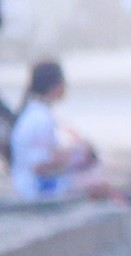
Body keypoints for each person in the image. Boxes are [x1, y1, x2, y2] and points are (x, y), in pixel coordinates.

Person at [8, 60, 119, 201]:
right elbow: (39, 165)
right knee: (100, 186)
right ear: (56, 86)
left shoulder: (34, 111)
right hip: (36, 186)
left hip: (28, 182)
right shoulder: (40, 118)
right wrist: (76, 155)